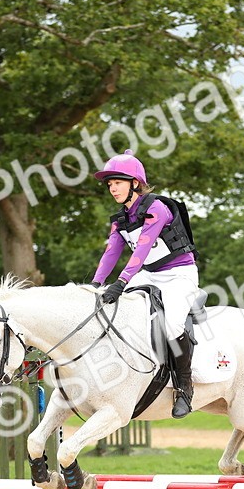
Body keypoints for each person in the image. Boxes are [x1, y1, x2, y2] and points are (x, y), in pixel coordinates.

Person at [90, 150, 200, 418]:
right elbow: (111, 253)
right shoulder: (121, 220)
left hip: (179, 274)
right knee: (113, 312)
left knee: (172, 324)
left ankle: (184, 388)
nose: (112, 188)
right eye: (110, 184)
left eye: (117, 182)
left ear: (135, 183)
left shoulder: (156, 208)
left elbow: (142, 248)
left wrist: (121, 282)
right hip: (148, 273)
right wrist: (96, 285)